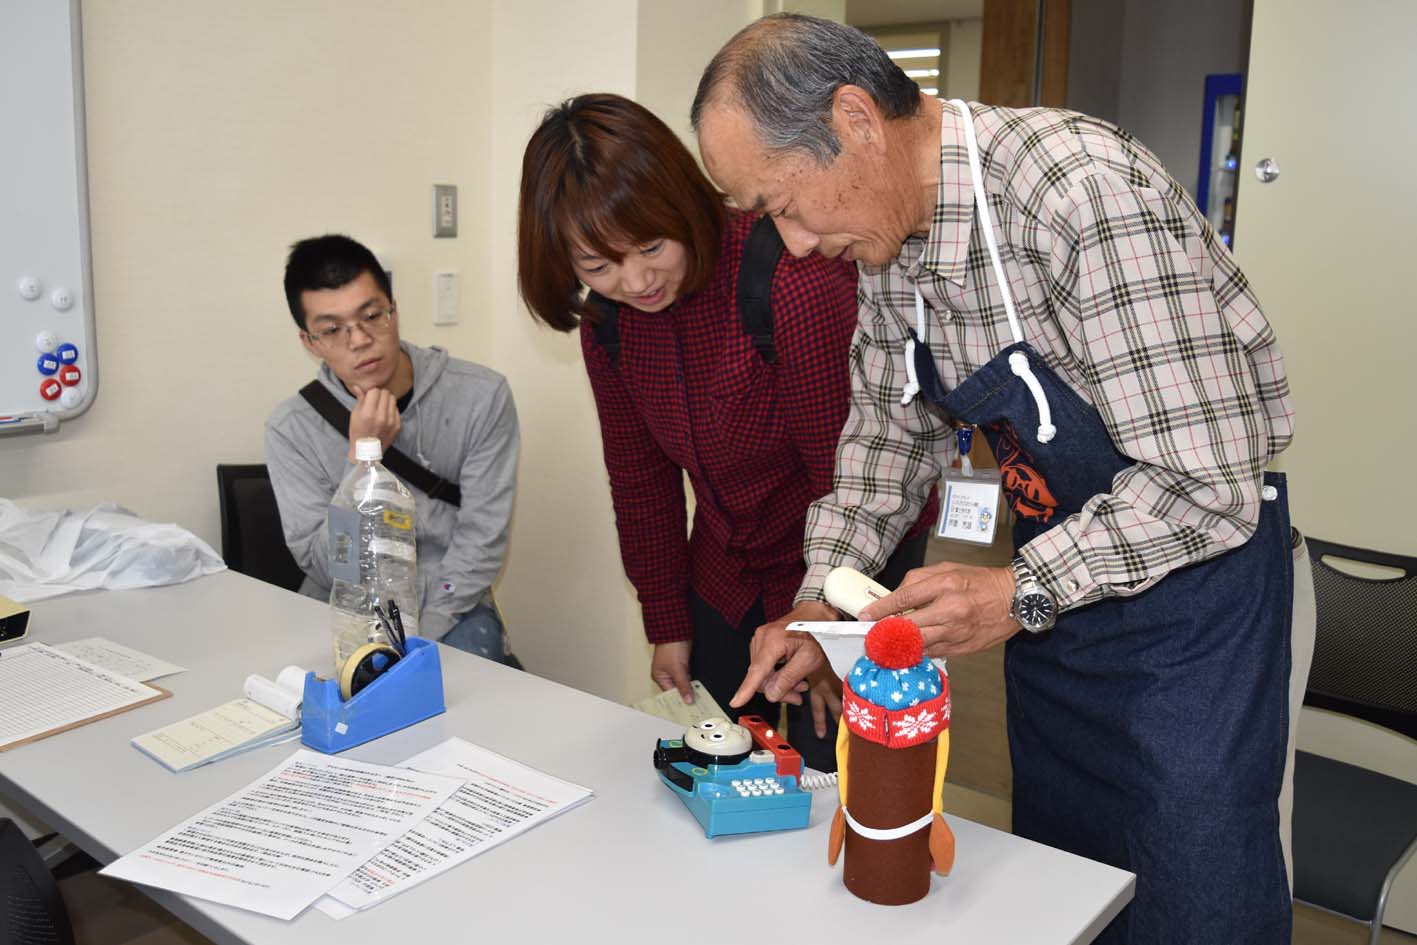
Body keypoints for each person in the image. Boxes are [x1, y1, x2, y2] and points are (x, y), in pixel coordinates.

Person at [692, 14, 1314, 944]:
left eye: (782, 204)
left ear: (856, 120)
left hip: (1196, 616)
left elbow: (1206, 485)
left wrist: (1017, 588)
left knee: (1194, 905)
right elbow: (881, 451)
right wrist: (821, 605)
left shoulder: (1076, 196)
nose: (790, 244)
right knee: (1066, 890)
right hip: (1063, 621)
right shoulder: (888, 245)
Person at [516, 94, 935, 771]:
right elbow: (641, 482)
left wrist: (835, 635)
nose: (634, 279)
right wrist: (666, 624)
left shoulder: (789, 278)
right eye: (597, 265)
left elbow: (854, 478)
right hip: (724, 567)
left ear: (683, 205)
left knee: (826, 768)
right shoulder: (612, 325)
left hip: (847, 560)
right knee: (718, 760)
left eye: (651, 246)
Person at [265, 234, 520, 664]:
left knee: (467, 690)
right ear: (311, 343)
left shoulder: (480, 396)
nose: (361, 340)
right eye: (332, 330)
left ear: (394, 310)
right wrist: (362, 460)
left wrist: (425, 638)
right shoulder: (291, 429)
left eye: (372, 316)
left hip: (450, 602)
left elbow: (483, 537)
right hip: (344, 608)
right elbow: (328, 568)